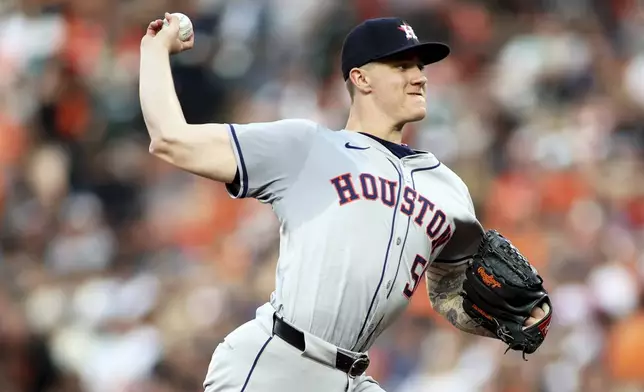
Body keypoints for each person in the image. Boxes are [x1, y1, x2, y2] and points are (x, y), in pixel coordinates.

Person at [139, 14, 550, 392]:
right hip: (278, 362)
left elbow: (450, 292)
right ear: (362, 78)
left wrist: (507, 319)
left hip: (351, 378)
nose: (420, 77)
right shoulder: (306, 146)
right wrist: (155, 50)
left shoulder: (449, 189)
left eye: (421, 67)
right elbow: (170, 139)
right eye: (402, 66)